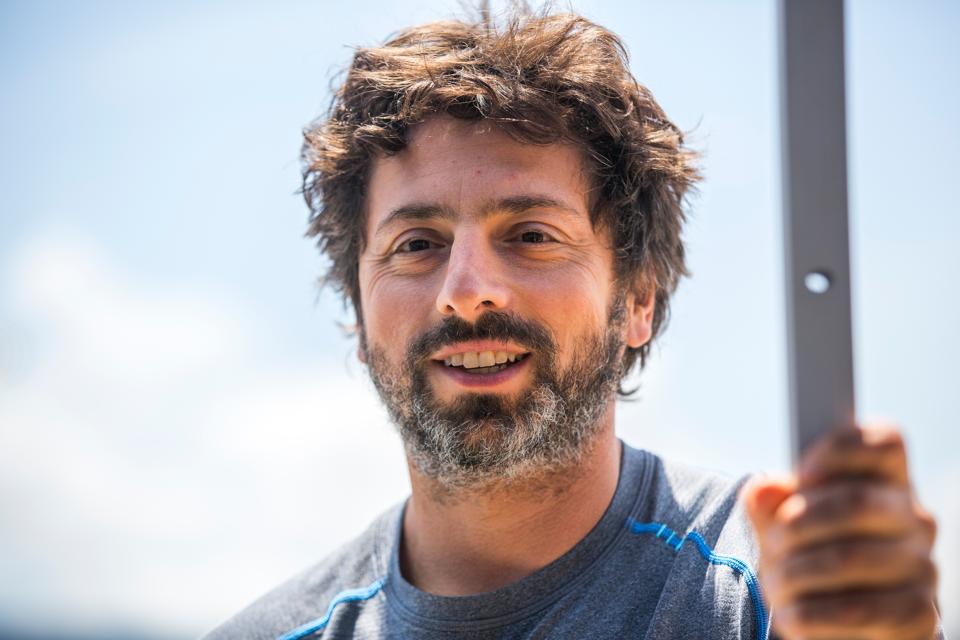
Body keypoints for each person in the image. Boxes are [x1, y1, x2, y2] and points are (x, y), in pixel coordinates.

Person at [204, 9, 942, 640]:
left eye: (531, 235)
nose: (466, 293)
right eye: (417, 245)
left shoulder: (778, 598)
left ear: (639, 299)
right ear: (359, 316)